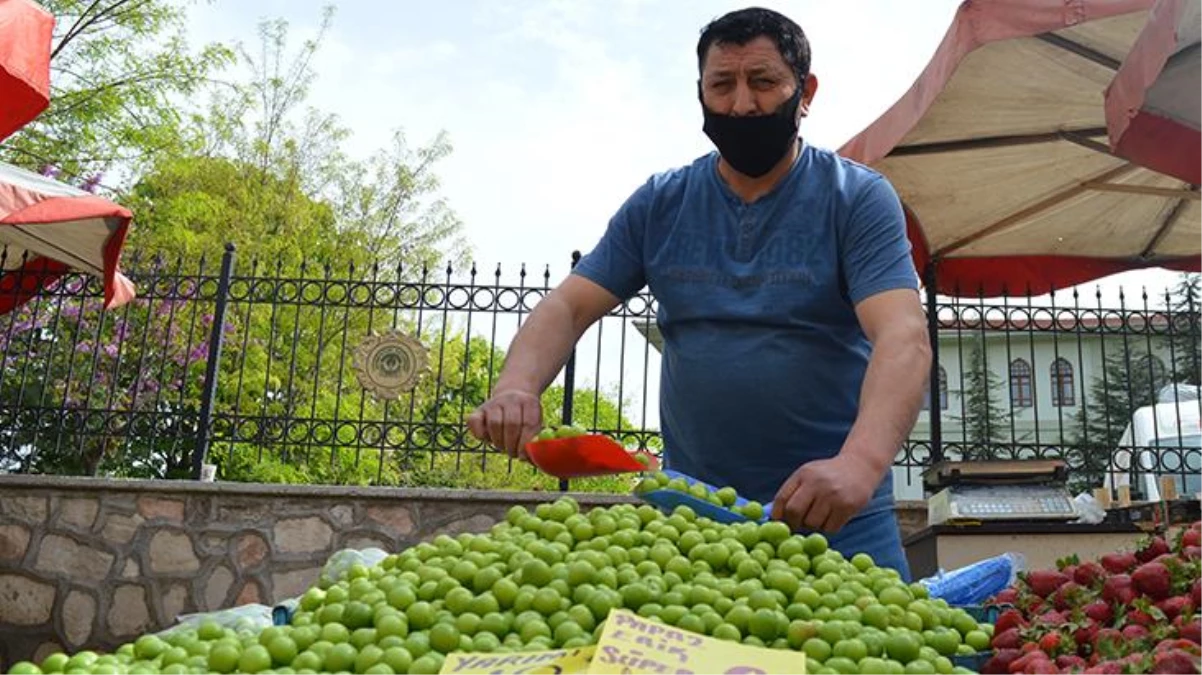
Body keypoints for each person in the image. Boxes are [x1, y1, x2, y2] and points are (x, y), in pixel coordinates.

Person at [466, 6, 930, 579]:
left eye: (762, 82)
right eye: (722, 85)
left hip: (837, 518)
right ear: (700, 92)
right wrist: (516, 385)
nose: (741, 105)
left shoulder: (857, 199)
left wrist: (859, 464)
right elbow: (567, 305)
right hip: (690, 521)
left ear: (804, 92)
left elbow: (903, 336)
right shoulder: (661, 202)